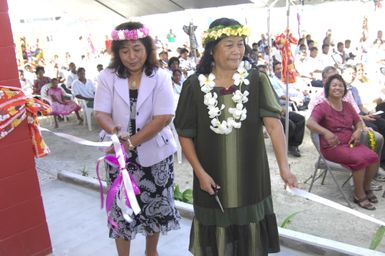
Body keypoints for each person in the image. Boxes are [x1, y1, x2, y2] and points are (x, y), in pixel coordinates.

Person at [174, 17, 297, 255]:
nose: (237, 51)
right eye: (229, 44)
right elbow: (185, 134)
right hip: (211, 178)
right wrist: (200, 173)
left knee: (250, 245)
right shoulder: (193, 86)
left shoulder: (256, 80)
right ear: (212, 49)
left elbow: (274, 126)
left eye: (240, 44)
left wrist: (284, 167)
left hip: (251, 179)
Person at [94, 21, 180, 256]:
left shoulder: (160, 76)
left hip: (154, 155)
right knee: (121, 211)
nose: (131, 56)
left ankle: (151, 252)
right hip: (118, 157)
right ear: (117, 52)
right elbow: (100, 112)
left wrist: (131, 142)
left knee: (155, 208)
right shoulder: (107, 76)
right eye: (124, 50)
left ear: (147, 49)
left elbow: (164, 117)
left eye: (137, 49)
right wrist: (114, 130)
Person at [306, 74, 379, 210]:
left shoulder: (347, 105)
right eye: (334, 85)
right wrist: (326, 132)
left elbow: (358, 121)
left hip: (350, 144)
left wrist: (357, 131)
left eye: (340, 85)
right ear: (328, 88)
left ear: (344, 90)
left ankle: (366, 187)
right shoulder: (322, 106)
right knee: (359, 160)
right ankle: (358, 194)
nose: (338, 88)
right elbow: (310, 123)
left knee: (373, 158)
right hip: (332, 147)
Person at [270, 62, 306, 157]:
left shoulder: (285, 79)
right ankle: (283, 144)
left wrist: (299, 96)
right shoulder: (273, 81)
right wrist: (292, 99)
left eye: (281, 68)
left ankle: (294, 144)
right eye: (277, 69)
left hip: (286, 107)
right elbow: (280, 95)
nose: (280, 71)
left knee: (301, 119)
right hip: (277, 109)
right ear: (273, 71)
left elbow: (292, 91)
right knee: (290, 124)